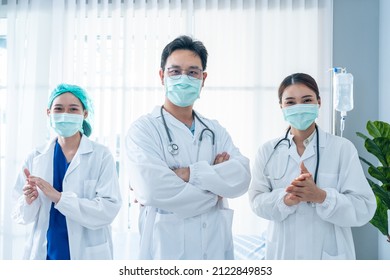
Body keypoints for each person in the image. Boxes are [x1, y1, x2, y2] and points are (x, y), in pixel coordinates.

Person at [125, 35, 251, 260]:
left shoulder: (214, 130)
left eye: (193, 72)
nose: (184, 78)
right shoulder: (143, 130)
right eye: (175, 71)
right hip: (166, 253)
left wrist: (186, 174)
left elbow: (241, 176)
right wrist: (215, 190)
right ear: (162, 76)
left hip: (214, 249)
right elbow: (152, 189)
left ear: (203, 78)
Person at [248, 73, 376, 260]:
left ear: (319, 102)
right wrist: (285, 199)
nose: (299, 107)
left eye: (307, 100)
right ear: (281, 107)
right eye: (290, 102)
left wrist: (321, 197)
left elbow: (364, 208)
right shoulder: (267, 151)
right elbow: (256, 202)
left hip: (328, 256)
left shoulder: (342, 148)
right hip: (283, 254)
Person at [12, 84, 122, 260]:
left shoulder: (101, 155)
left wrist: (59, 197)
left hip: (87, 251)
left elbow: (108, 210)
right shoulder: (36, 156)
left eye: (73, 109)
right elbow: (22, 217)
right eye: (59, 108)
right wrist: (28, 200)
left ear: (85, 114)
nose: (65, 114)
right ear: (49, 113)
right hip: (46, 250)